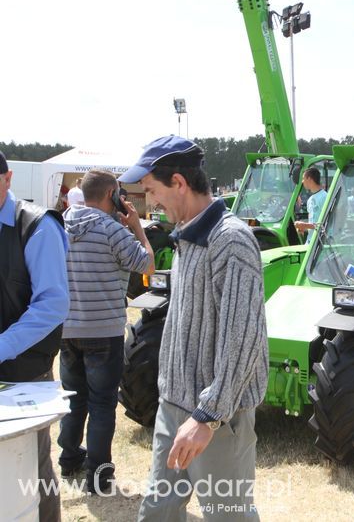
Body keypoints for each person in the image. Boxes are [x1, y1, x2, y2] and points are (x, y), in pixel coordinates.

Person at [117, 136, 269, 520]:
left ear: (179, 183)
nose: (150, 202)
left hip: (218, 419)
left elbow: (244, 340)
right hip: (174, 408)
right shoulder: (186, 236)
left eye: (152, 190)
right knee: (157, 511)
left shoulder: (231, 241)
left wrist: (207, 416)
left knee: (227, 514)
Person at [57, 169, 155, 494]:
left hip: (68, 329)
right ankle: (98, 477)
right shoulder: (113, 231)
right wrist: (138, 228)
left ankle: (70, 457)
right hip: (104, 332)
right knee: (101, 404)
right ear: (112, 193)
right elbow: (147, 265)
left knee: (74, 399)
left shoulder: (60, 226)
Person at [0, 151, 70, 521]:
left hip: (24, 374)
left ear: (8, 179)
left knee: (32, 469)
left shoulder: (37, 225)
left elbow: (52, 305)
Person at [294, 166, 327, 243]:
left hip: (320, 243)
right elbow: (312, 224)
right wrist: (303, 228)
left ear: (309, 179)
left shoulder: (324, 197)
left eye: (303, 178)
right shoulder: (310, 200)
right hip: (310, 241)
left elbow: (326, 224)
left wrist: (304, 225)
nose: (302, 181)